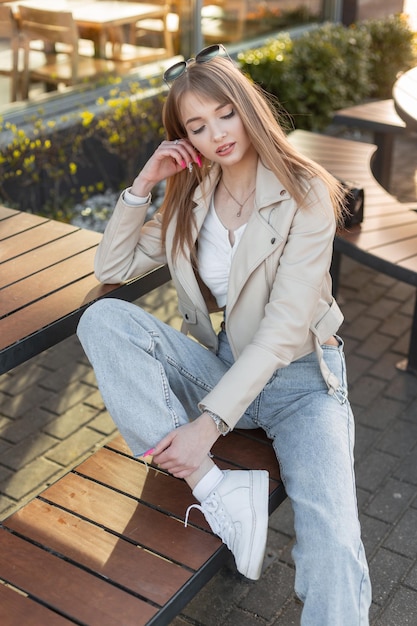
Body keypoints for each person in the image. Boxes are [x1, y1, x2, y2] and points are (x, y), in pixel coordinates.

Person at [77, 44, 371, 625]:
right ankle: (217, 488)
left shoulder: (306, 192)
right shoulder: (193, 193)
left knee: (333, 538)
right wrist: (143, 183)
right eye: (197, 125)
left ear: (247, 106)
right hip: (225, 370)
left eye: (224, 114)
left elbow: (287, 327)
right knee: (102, 319)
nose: (216, 134)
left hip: (302, 383)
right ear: (183, 136)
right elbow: (112, 270)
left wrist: (206, 424)